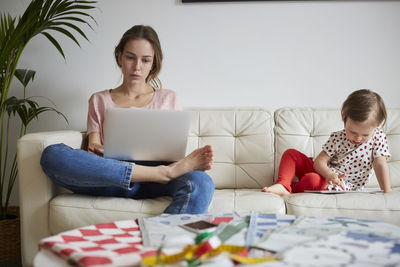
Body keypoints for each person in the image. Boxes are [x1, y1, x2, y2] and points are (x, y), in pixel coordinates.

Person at [40, 25, 215, 214]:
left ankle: (157, 233)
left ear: (153, 63)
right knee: (52, 154)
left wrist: (169, 168)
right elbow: (94, 147)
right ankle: (161, 174)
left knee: (202, 182)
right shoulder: (99, 99)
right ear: (119, 57)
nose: (137, 67)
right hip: (114, 176)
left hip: (161, 177)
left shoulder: (169, 98)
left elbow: (174, 153)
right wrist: (98, 149)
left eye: (145, 60)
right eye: (131, 57)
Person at [262, 89, 391, 196]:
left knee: (311, 180)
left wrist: (387, 192)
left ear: (376, 127)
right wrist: (329, 173)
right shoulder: (338, 138)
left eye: (365, 135)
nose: (357, 138)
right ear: (343, 117)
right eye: (352, 132)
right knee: (291, 154)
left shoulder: (378, 139)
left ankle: (292, 188)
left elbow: (380, 164)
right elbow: (319, 162)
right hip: (325, 172)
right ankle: (283, 184)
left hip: (340, 184)